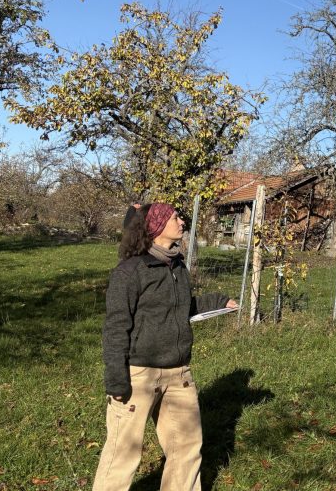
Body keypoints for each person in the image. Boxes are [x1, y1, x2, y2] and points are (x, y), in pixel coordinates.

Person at [93, 202, 238, 491]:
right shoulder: (130, 271)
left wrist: (219, 301)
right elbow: (116, 327)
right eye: (175, 217)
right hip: (139, 374)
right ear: (157, 226)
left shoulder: (177, 265)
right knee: (123, 454)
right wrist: (116, 379)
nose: (182, 222)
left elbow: (182, 306)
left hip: (178, 373)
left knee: (187, 448)